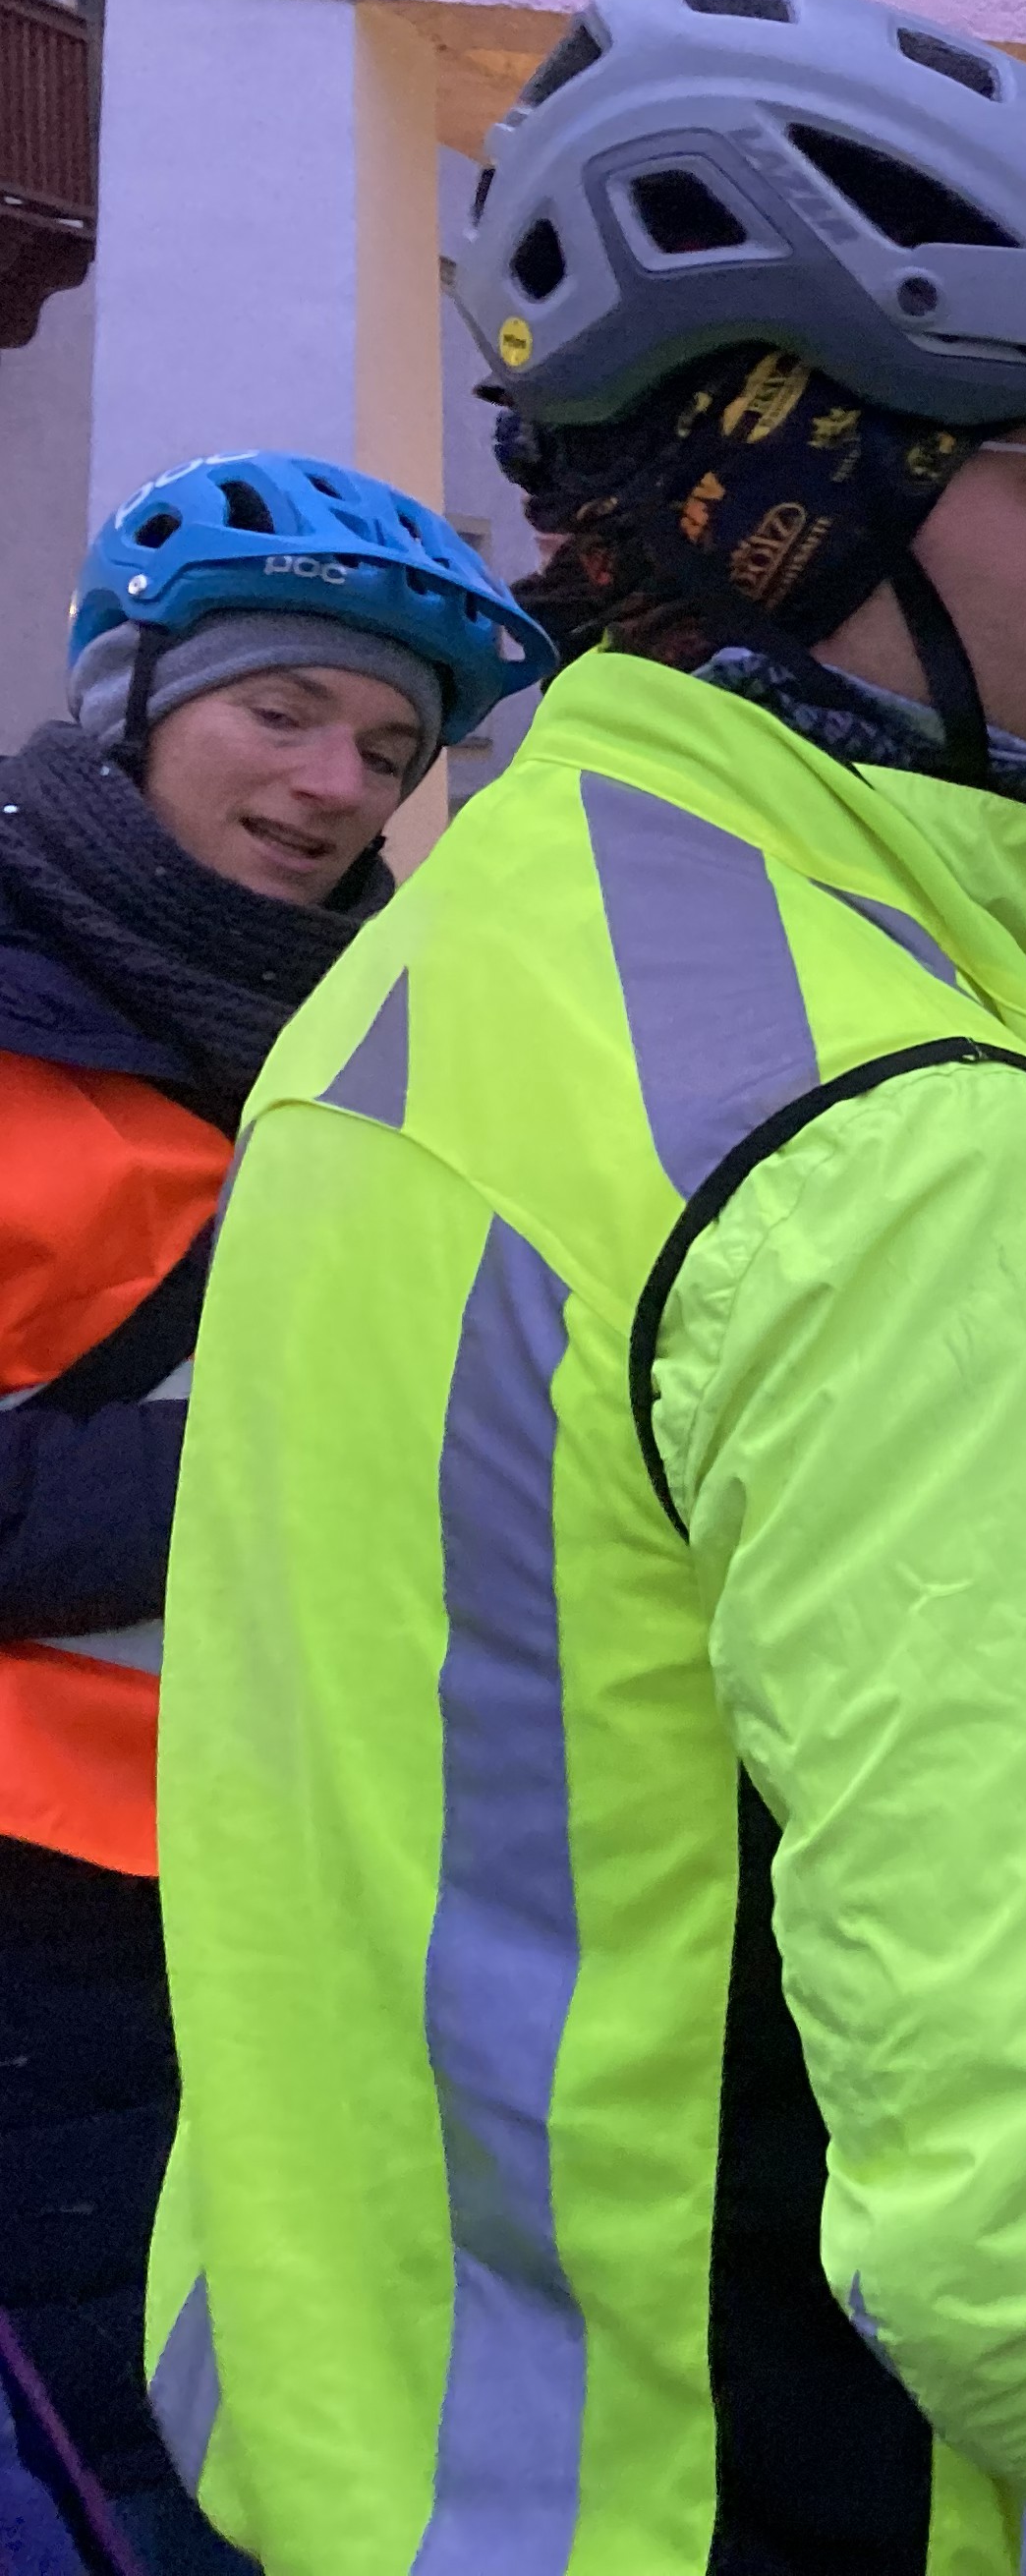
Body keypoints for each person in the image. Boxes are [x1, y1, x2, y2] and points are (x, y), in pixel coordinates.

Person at [144, 0, 1026, 2573]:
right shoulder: (904, 1147)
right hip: (730, 2489)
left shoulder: (456, 954)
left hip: (363, 2459)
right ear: (795, 503)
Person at [1, 453, 546, 2572]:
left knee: (287, 2424)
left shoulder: (385, 1027)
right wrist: (316, 1461)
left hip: (317, 1873)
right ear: (137, 695)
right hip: (49, 1909)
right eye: (285, 711)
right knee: (102, 2473)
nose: (339, 783)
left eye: (392, 748)